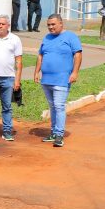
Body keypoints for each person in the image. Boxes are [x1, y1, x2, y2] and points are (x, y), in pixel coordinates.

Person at [35, 14, 82, 147]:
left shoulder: (71, 37)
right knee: (52, 106)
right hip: (46, 79)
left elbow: (78, 55)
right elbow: (40, 55)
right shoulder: (47, 38)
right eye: (49, 25)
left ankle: (59, 135)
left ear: (61, 24)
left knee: (59, 106)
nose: (50, 27)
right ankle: (54, 132)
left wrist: (75, 72)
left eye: (53, 24)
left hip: (62, 79)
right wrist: (36, 72)